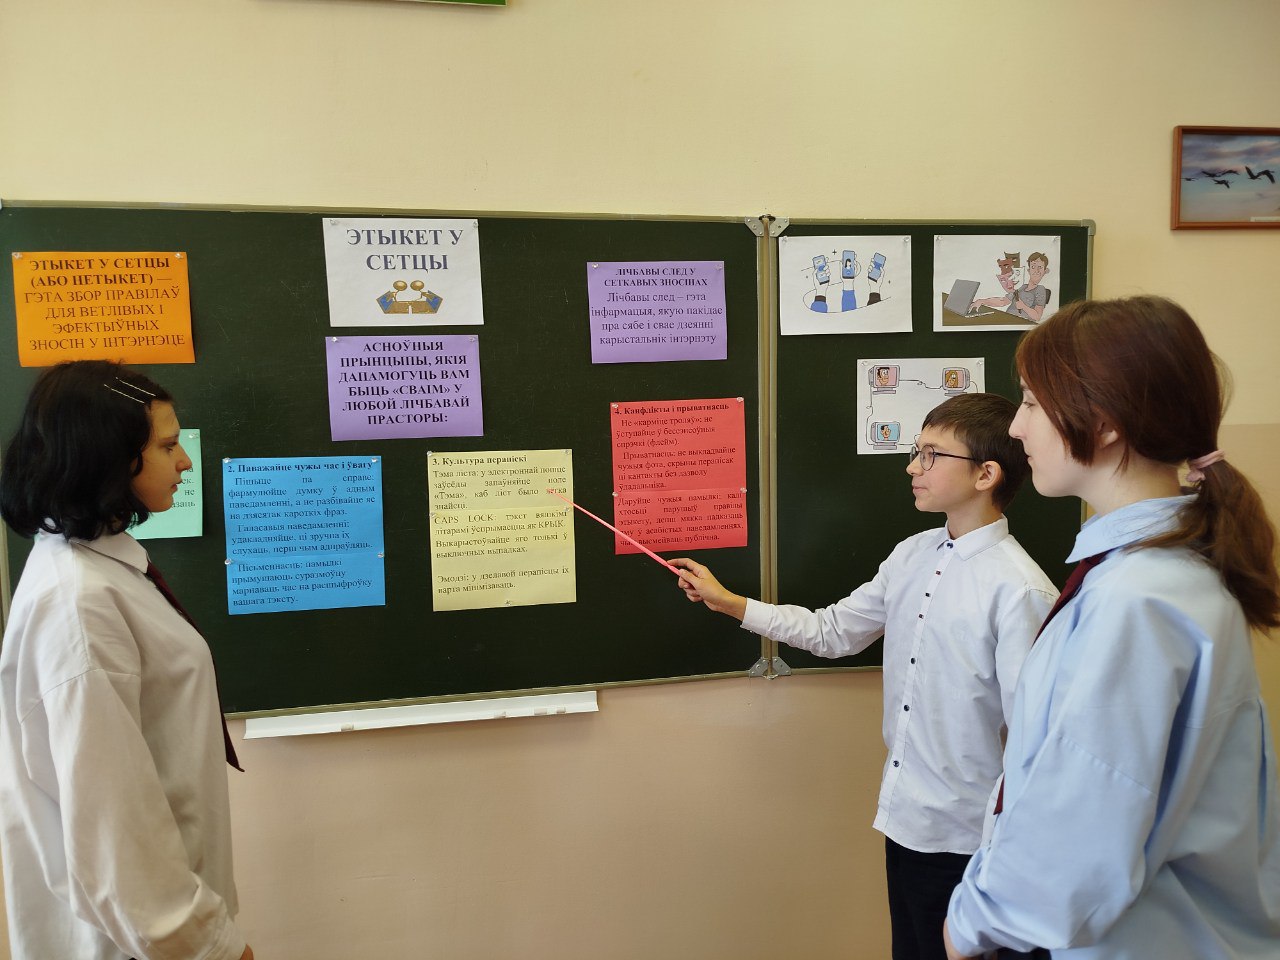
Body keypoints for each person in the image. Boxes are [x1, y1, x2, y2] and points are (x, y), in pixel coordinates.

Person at [944, 296, 1280, 960]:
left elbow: (1079, 826)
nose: (1017, 428)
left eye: (1031, 403)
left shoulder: (1136, 601)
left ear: (1101, 425)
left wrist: (971, 925)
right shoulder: (1157, 573)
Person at [672, 393, 1057, 960]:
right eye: (915, 451)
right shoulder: (912, 554)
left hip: (972, 839)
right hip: (904, 818)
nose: (912, 467)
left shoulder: (1019, 590)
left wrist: (1008, 848)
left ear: (986, 474)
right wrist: (732, 604)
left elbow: (1034, 741)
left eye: (931, 455)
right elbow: (833, 632)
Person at [0, 361, 253, 960]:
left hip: (161, 920)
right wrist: (209, 947)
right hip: (143, 939)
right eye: (167, 446)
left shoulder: (98, 567)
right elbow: (113, 822)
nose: (185, 462)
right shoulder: (79, 604)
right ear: (107, 457)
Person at [973, 252, 1051, 323]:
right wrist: (982, 301)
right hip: (1007, 319)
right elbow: (1003, 301)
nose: (1036, 270)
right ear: (1029, 270)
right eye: (1033, 267)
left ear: (1045, 271)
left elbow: (1037, 317)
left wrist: (1023, 306)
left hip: (1019, 324)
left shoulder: (1040, 289)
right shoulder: (1022, 287)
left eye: (1040, 267)